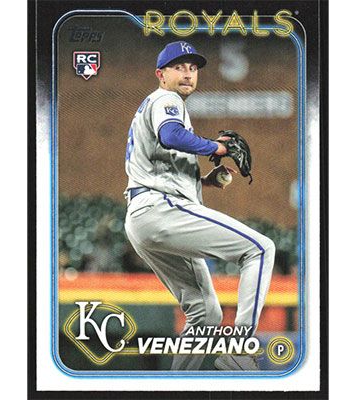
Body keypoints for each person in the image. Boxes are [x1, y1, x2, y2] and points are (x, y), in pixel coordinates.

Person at [124, 41, 275, 371]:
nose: (188, 73)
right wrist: (217, 148)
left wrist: (204, 181)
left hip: (145, 215)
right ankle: (241, 351)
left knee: (205, 313)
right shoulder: (167, 99)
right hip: (160, 209)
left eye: (193, 68)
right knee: (260, 249)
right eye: (179, 67)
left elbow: (162, 160)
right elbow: (171, 135)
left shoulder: (153, 105)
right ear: (161, 74)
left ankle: (177, 387)